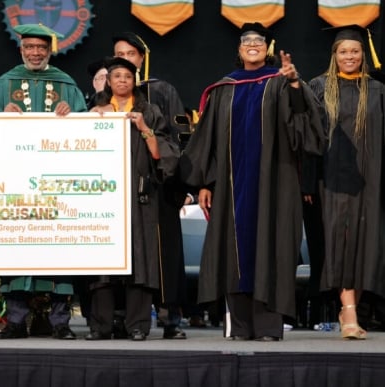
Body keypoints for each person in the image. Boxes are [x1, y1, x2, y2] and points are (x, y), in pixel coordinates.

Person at [179, 22, 326, 341]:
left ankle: (269, 327)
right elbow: (210, 141)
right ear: (239, 48)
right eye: (247, 40)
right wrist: (205, 182)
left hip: (275, 184)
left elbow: (307, 132)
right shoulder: (223, 89)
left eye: (259, 40)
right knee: (234, 253)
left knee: (272, 247)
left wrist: (296, 85)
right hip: (232, 188)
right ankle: (241, 326)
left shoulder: (281, 82)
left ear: (268, 48)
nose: (253, 44)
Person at [0, 23, 87, 340]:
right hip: (15, 181)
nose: (35, 53)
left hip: (56, 184)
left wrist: (73, 114)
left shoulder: (66, 85)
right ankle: (15, 321)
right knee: (18, 249)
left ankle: (60, 322)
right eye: (29, 47)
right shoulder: (4, 84)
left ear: (49, 51)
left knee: (57, 250)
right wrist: (2, 116)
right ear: (21, 50)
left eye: (41, 48)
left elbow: (88, 133)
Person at [85, 57, 180, 341]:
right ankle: (100, 326)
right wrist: (88, 120)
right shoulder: (96, 110)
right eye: (117, 77)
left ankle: (137, 325)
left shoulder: (149, 111)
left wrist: (144, 129)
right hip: (103, 198)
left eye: (128, 76)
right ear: (108, 81)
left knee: (141, 261)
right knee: (102, 265)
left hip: (140, 196)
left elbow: (163, 155)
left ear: (134, 80)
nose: (123, 81)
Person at [308, 25, 385, 339]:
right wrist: (308, 182)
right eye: (343, 51)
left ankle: (355, 306)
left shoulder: (378, 90)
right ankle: (348, 308)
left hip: (372, 180)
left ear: (362, 55)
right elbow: (308, 138)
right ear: (334, 55)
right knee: (339, 240)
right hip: (333, 179)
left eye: (354, 51)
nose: (349, 56)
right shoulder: (318, 87)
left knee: (367, 243)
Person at [112, 31, 189, 340]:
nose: (125, 59)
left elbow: (181, 136)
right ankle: (121, 318)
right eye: (120, 54)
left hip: (158, 188)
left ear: (141, 59)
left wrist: (175, 178)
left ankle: (170, 317)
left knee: (163, 255)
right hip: (118, 193)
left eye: (131, 54)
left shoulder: (162, 91)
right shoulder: (105, 94)